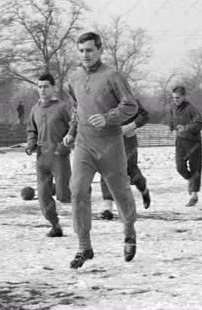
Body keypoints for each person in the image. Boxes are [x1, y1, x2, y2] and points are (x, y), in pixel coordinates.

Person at [62, 32, 138, 269]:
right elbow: (76, 108)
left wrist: (108, 118)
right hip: (84, 143)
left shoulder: (113, 76)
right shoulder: (73, 79)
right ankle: (84, 246)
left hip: (109, 143)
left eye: (90, 50)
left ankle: (129, 231)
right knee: (77, 190)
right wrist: (72, 132)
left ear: (100, 50)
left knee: (120, 191)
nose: (85, 55)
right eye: (82, 51)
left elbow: (131, 105)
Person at [26, 73, 73, 237]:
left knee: (63, 195)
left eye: (46, 86)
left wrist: (64, 147)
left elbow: (75, 128)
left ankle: (82, 192)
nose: (42, 90)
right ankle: (55, 226)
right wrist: (31, 143)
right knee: (43, 197)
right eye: (39, 86)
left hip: (59, 157)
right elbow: (32, 130)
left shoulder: (63, 107)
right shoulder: (35, 109)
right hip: (41, 158)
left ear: (53, 87)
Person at [100, 99, 151, 219]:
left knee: (130, 168)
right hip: (109, 138)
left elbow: (144, 116)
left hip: (128, 138)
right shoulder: (103, 97)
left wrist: (130, 126)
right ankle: (107, 207)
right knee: (106, 168)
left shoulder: (129, 98)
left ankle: (143, 189)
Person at [167, 86, 202, 207]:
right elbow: (172, 120)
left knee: (195, 169)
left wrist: (186, 128)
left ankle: (194, 196)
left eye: (178, 98)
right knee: (180, 167)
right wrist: (170, 128)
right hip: (180, 142)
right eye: (174, 98)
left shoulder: (191, 108)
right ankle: (191, 181)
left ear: (184, 96)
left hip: (193, 142)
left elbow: (200, 124)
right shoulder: (172, 107)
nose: (176, 100)